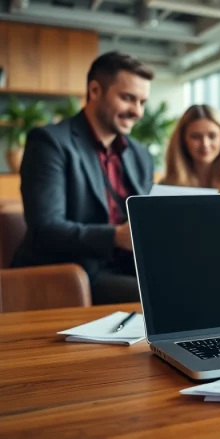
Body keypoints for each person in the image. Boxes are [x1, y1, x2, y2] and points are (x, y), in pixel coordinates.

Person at [12, 51, 155, 305]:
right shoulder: (50, 143)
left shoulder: (139, 154)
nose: (137, 111)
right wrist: (115, 237)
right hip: (71, 272)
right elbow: (45, 229)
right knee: (164, 297)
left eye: (142, 102)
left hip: (123, 268)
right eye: (127, 98)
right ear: (95, 90)